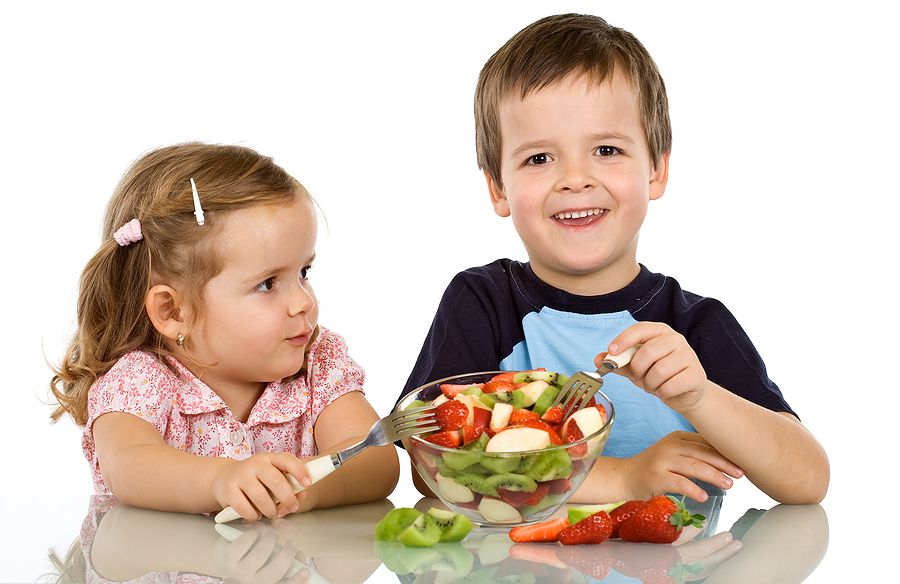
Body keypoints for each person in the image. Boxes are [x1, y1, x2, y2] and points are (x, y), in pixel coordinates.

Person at [398, 14, 828, 505]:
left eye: (606, 149)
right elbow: (427, 462)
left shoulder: (696, 324)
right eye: (539, 158)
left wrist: (700, 397)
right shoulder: (482, 303)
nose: (576, 178)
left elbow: (808, 481)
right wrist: (625, 478)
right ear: (498, 188)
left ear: (656, 170)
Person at [51, 142, 399, 521]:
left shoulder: (318, 363)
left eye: (304, 273)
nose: (303, 302)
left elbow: (375, 457)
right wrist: (221, 481)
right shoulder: (141, 380)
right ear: (173, 311)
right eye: (267, 284)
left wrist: (304, 488)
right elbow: (128, 465)